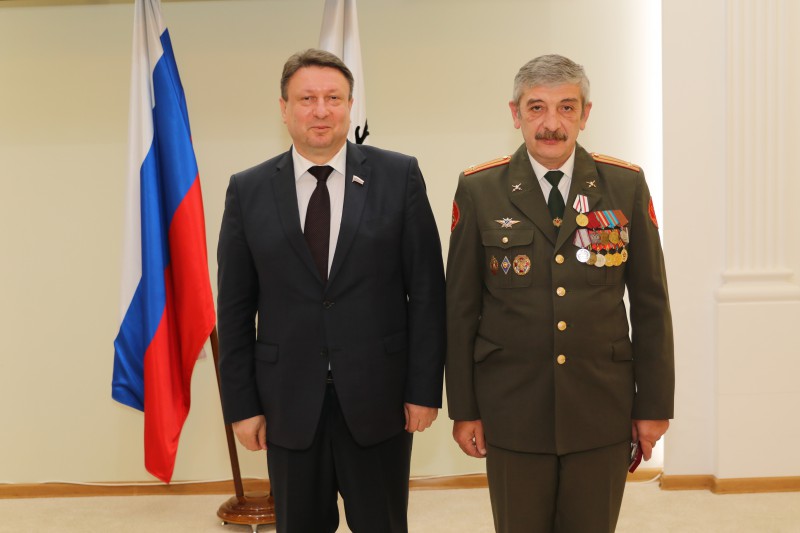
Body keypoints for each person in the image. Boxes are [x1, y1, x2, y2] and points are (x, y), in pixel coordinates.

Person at [217, 48, 446, 533]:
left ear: (350, 105)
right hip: (287, 404)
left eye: (333, 98)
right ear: (284, 109)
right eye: (307, 99)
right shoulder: (248, 190)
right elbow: (234, 310)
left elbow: (427, 294)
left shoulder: (399, 176)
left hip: (380, 401)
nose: (320, 111)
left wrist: (424, 390)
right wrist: (242, 406)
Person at [445, 54, 674, 532]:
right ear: (515, 114)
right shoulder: (480, 189)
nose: (552, 123)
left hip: (600, 405)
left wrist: (653, 407)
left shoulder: (624, 184)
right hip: (511, 408)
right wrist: (464, 410)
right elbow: (461, 310)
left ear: (585, 114)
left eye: (567, 107)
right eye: (537, 108)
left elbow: (651, 304)